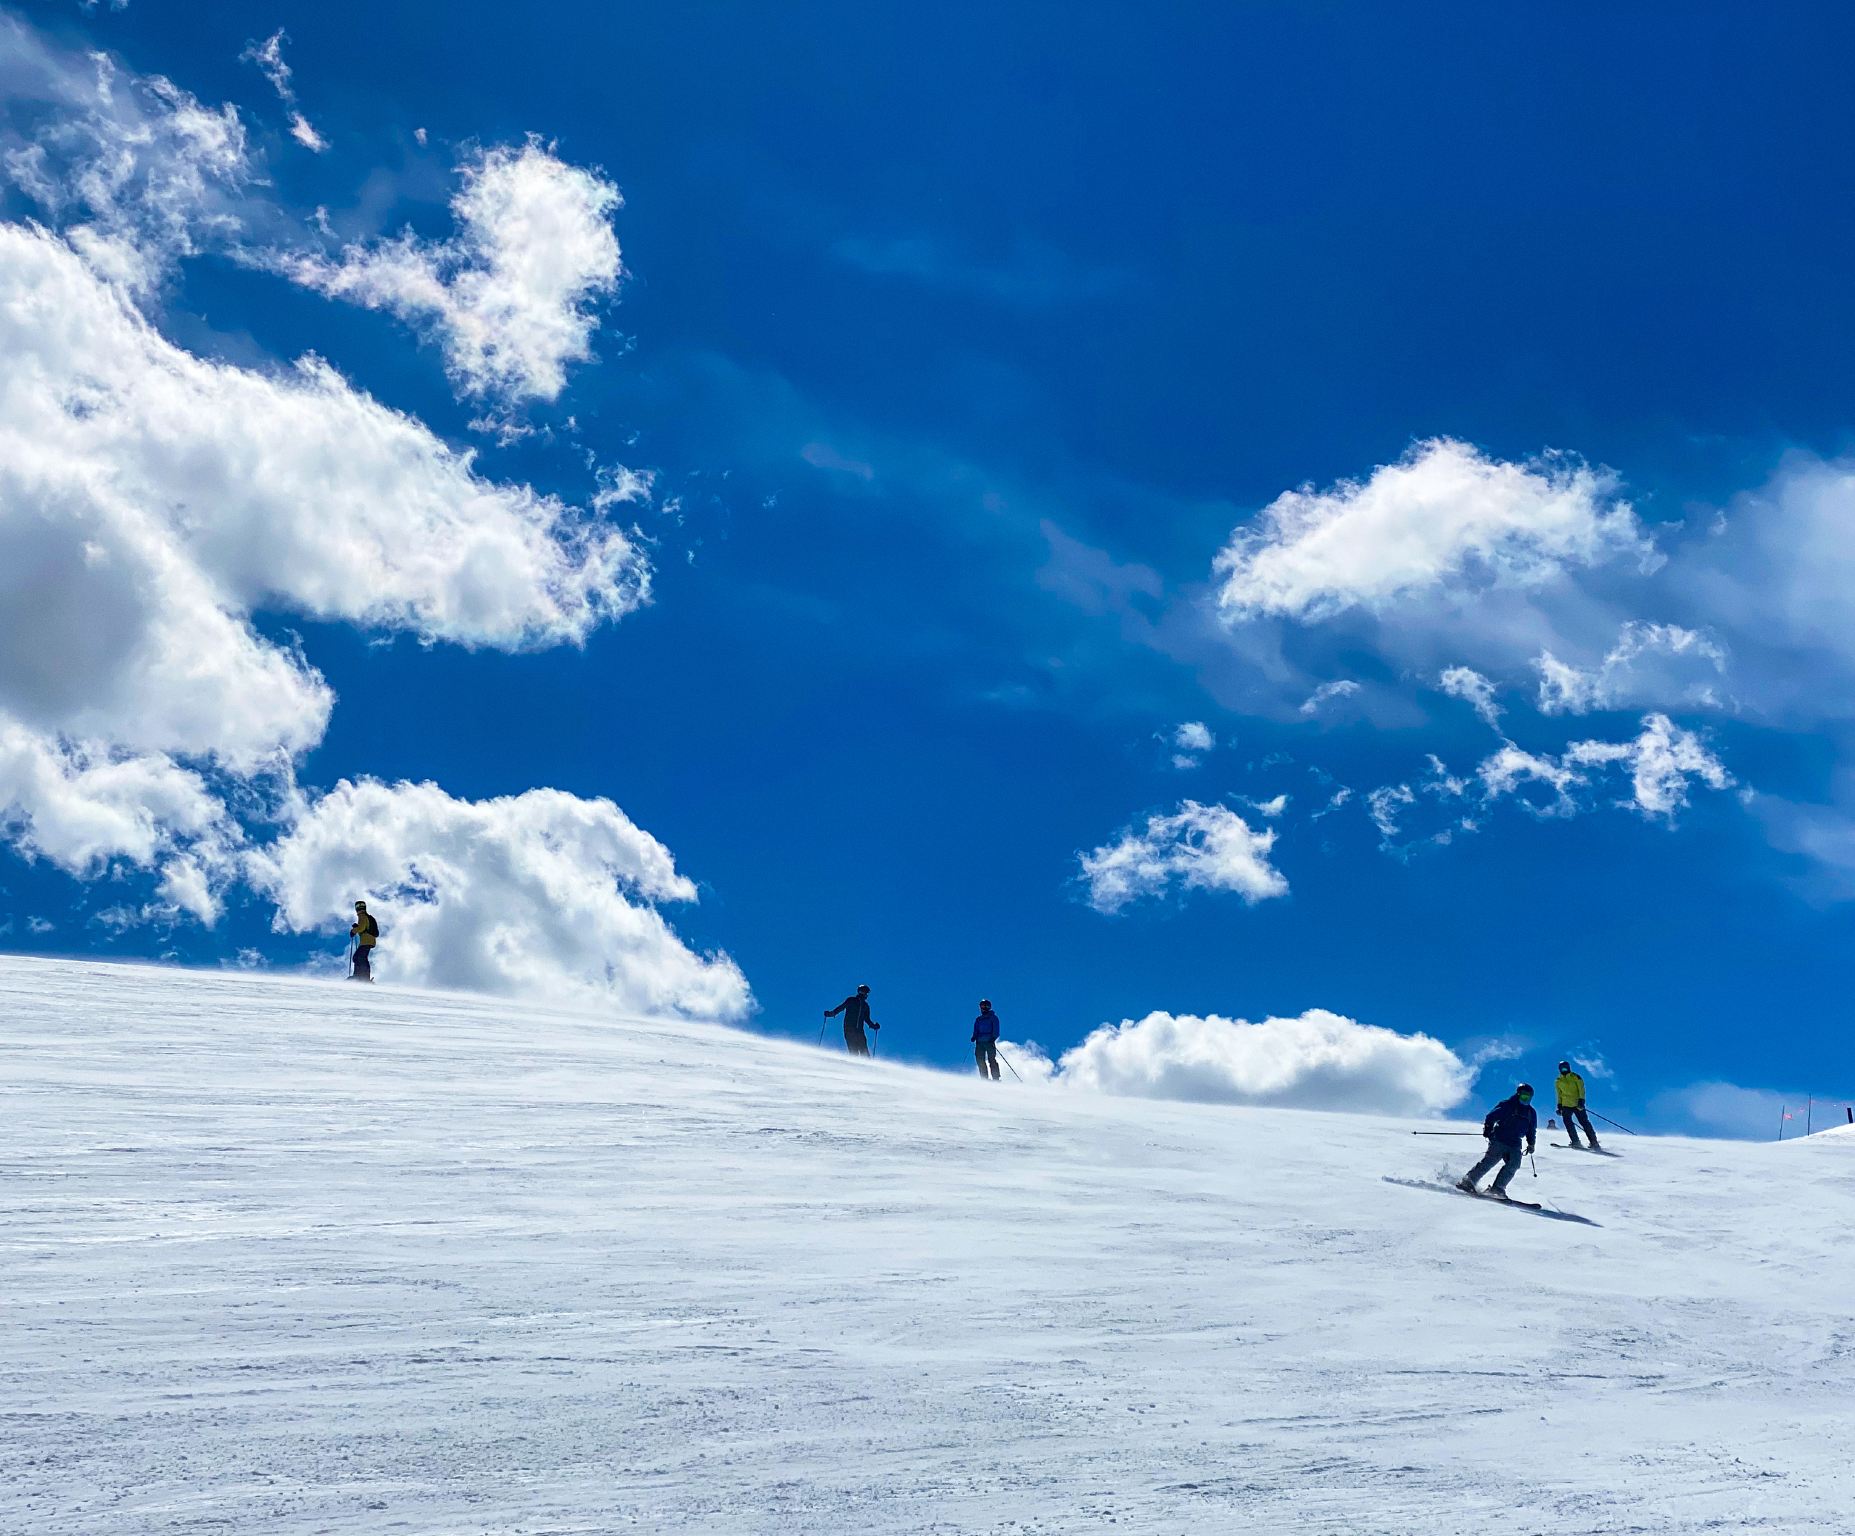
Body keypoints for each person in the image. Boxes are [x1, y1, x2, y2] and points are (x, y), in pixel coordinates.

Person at [1457, 1083, 1538, 1199]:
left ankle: (1498, 1188)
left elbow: (1531, 1130)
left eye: (1529, 1097)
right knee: (1490, 1161)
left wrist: (1531, 1143)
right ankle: (1468, 1181)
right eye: (1524, 1096)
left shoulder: (1531, 1113)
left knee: (1514, 1164)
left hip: (1515, 1143)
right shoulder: (1508, 1105)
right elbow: (1491, 1116)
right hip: (1500, 1138)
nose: (1526, 1100)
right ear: (1518, 1094)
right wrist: (1488, 1129)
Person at [1555, 1060, 1601, 1150]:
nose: (1564, 1070)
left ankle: (1593, 1142)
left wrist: (1581, 1101)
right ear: (1560, 1069)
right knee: (1568, 1123)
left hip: (1577, 1104)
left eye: (1566, 1068)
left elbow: (1581, 1089)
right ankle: (1575, 1141)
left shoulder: (1576, 1077)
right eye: (1562, 1068)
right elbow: (1559, 1094)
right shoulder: (1558, 1081)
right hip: (1566, 1105)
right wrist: (1559, 1105)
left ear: (1569, 1068)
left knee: (1584, 1122)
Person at [824, 984, 880, 1056]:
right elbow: (840, 1008)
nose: (866, 995)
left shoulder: (865, 1006)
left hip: (859, 1031)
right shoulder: (851, 1000)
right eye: (866, 993)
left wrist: (874, 1026)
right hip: (850, 1030)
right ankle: (856, 1066)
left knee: (863, 1051)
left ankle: (865, 1065)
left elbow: (867, 1019)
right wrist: (831, 1014)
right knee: (855, 1051)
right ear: (863, 993)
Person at [349, 901, 379, 982]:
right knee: (361, 958)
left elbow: (362, 928)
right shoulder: (367, 916)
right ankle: (363, 976)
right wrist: (357, 927)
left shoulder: (362, 916)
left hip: (366, 941)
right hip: (370, 940)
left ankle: (360, 977)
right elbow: (364, 927)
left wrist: (354, 931)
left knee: (358, 957)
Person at [972, 999, 1001, 1080]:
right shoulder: (979, 1019)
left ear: (989, 1007)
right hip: (980, 1042)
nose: (983, 1008)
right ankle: (984, 1078)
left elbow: (996, 1029)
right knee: (980, 1060)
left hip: (989, 1041)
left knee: (991, 1059)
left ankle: (996, 1077)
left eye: (985, 1006)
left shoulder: (993, 1018)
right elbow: (976, 1029)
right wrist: (974, 1036)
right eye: (982, 1006)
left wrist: (993, 1038)